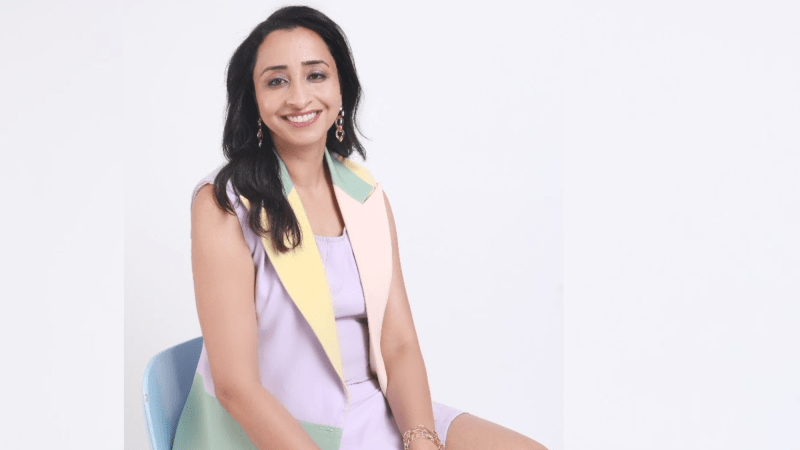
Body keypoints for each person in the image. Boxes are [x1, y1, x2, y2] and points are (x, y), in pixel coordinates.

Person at [172, 5, 548, 450]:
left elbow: (398, 344)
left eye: (316, 75)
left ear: (341, 88)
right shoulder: (223, 204)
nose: (299, 97)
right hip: (288, 430)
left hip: (379, 411)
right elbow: (237, 387)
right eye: (276, 81)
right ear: (252, 98)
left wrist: (421, 438)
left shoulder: (364, 194)